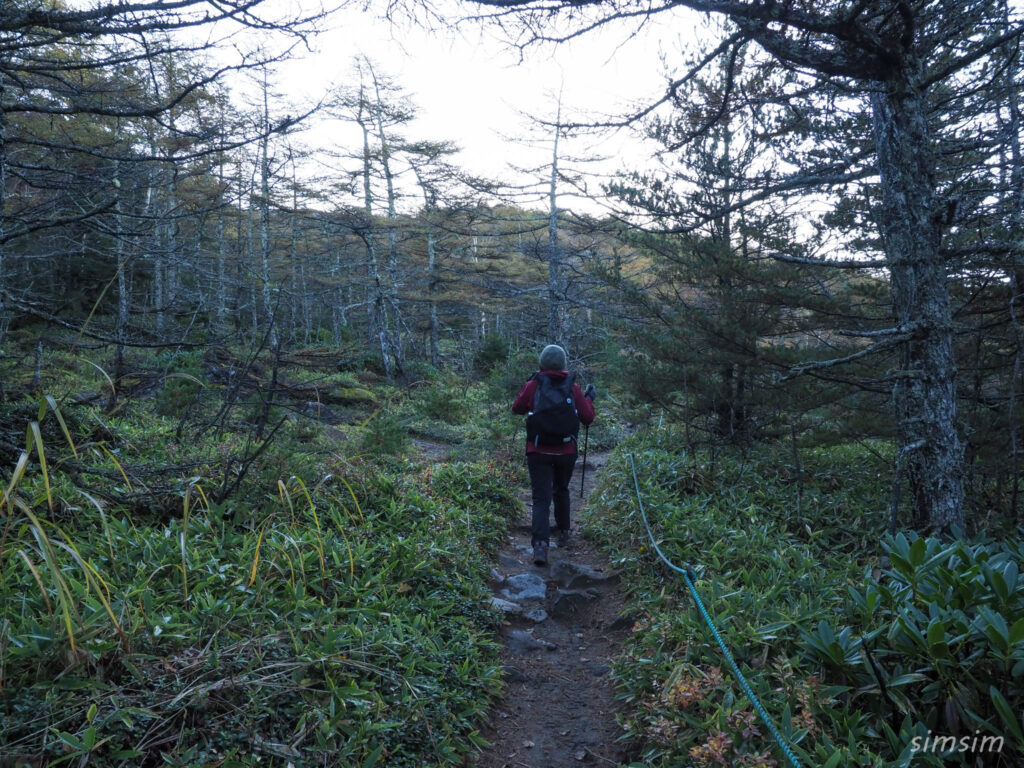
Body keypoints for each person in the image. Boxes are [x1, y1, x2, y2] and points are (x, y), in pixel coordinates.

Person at [511, 344, 596, 566]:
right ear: (563, 364)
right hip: (566, 451)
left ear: (541, 363)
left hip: (538, 450)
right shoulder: (573, 388)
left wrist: (528, 386)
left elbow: (517, 408)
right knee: (562, 489)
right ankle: (564, 533)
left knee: (541, 498)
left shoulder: (533, 385)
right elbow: (587, 418)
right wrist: (589, 399)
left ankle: (540, 547)